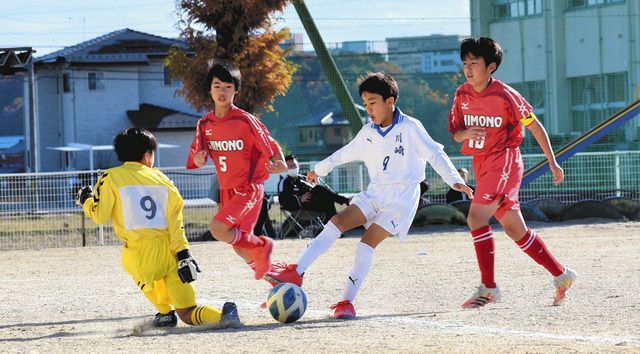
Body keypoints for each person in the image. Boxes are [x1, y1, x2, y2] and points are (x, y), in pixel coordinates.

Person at [265, 72, 473, 319]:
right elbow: (344, 153)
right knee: (337, 222)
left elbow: (435, 154)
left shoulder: (410, 127)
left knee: (366, 244)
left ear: (390, 101)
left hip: (402, 198)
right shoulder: (368, 132)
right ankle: (296, 271)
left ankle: (346, 303)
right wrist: (318, 170)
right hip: (375, 191)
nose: (369, 109)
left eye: (373, 102)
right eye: (365, 104)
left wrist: (454, 179)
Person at [448, 37, 576, 308]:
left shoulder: (506, 95)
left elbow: (533, 124)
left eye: (475, 63)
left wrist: (551, 161)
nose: (468, 68)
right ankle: (562, 275)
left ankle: (489, 287)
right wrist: (466, 133)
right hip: (481, 164)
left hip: (504, 162)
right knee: (516, 230)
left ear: (491, 66)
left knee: (475, 217)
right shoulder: (461, 94)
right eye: (465, 63)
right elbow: (456, 134)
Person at [77, 128, 239, 328]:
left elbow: (99, 216)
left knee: (139, 275)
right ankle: (222, 317)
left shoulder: (111, 177)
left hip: (140, 253)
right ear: (147, 155)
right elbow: (176, 225)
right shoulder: (165, 181)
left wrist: (86, 200)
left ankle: (164, 312)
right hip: (171, 252)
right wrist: (184, 254)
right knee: (188, 312)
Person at [186, 61, 287, 281]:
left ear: (236, 90)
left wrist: (279, 162)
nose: (222, 91)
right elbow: (197, 156)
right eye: (217, 86)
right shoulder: (204, 124)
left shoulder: (245, 120)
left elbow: (269, 143)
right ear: (209, 89)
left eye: (227, 86)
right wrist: (198, 158)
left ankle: (263, 245)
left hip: (248, 188)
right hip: (227, 190)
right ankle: (278, 281)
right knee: (240, 247)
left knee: (218, 228)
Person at [278, 154, 350, 223]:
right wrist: (299, 199)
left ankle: (334, 227)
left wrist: (313, 184)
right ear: (285, 168)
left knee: (328, 200)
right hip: (299, 209)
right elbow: (283, 201)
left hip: (312, 204)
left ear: (298, 165)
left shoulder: (303, 178)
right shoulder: (284, 182)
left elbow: (313, 191)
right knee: (319, 189)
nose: (293, 168)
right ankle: (345, 200)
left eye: (294, 165)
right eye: (289, 166)